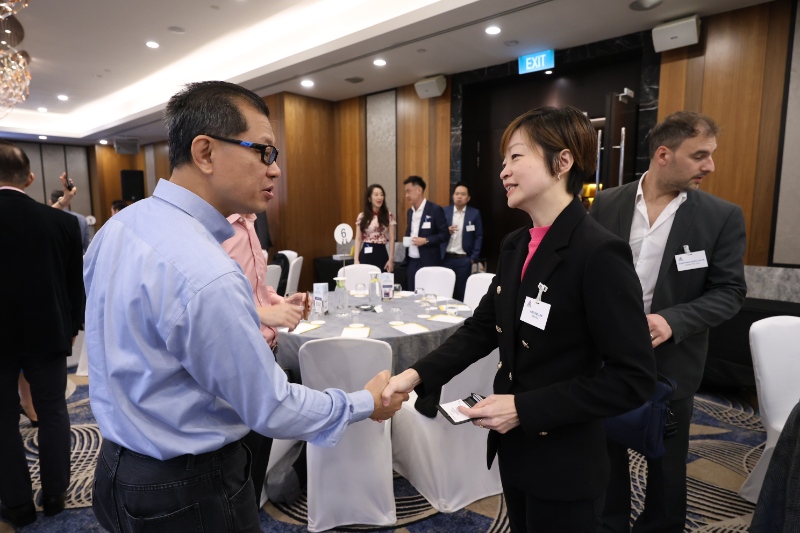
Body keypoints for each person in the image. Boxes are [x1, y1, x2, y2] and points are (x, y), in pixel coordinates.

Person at [84, 81, 406, 533]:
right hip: (188, 490)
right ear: (205, 152)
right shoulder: (204, 270)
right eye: (264, 152)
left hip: (115, 467)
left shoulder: (119, 227)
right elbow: (270, 405)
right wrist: (364, 402)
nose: (275, 170)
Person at [382, 106, 656, 532]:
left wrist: (524, 409)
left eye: (515, 156)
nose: (503, 171)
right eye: (503, 160)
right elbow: (480, 330)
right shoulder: (515, 245)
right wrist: (414, 375)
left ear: (562, 162)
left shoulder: (599, 253)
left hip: (564, 458)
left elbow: (633, 379)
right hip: (515, 449)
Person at [591, 111, 746, 533]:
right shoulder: (608, 202)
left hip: (672, 360)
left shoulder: (721, 216)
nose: (710, 166)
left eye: (711, 155)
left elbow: (730, 292)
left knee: (666, 466)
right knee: (605, 454)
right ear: (664, 155)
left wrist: (671, 320)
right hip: (606, 356)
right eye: (699, 155)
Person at [0, 141, 84, 528]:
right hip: (48, 332)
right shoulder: (62, 223)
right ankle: (54, 496)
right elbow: (74, 285)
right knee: (53, 412)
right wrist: (73, 327)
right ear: (30, 178)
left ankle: (17, 504)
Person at [220, 211, 305, 506]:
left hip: (268, 354)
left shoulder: (250, 222)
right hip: (242, 357)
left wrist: (280, 301)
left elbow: (255, 288)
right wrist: (262, 314)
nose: (271, 189)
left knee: (257, 456)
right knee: (237, 469)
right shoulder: (218, 227)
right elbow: (214, 299)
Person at [401, 175, 449, 291]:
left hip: (428, 261)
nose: (406, 195)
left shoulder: (435, 210)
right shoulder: (410, 212)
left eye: (408, 191)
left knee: (427, 294)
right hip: (412, 260)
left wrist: (426, 240)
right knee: (412, 292)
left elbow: (444, 235)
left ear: (419, 190)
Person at [441, 181, 483, 301]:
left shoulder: (474, 214)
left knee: (461, 292)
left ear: (468, 198)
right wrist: (446, 231)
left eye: (463, 194)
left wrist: (473, 258)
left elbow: (478, 236)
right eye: (457, 194)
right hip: (446, 258)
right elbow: (437, 233)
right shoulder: (444, 212)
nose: (459, 196)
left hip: (464, 260)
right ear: (453, 196)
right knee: (445, 291)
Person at [354, 184, 396, 272]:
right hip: (366, 251)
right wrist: (356, 259)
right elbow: (358, 239)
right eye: (376, 195)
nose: (379, 197)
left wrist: (391, 259)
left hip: (381, 252)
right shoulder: (362, 216)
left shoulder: (388, 215)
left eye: (381, 194)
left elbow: (392, 238)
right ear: (369, 198)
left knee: (381, 278)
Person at [50, 186, 91, 253]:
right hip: (79, 256)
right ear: (69, 202)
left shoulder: (47, 219)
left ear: (50, 202)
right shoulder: (81, 219)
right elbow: (86, 245)